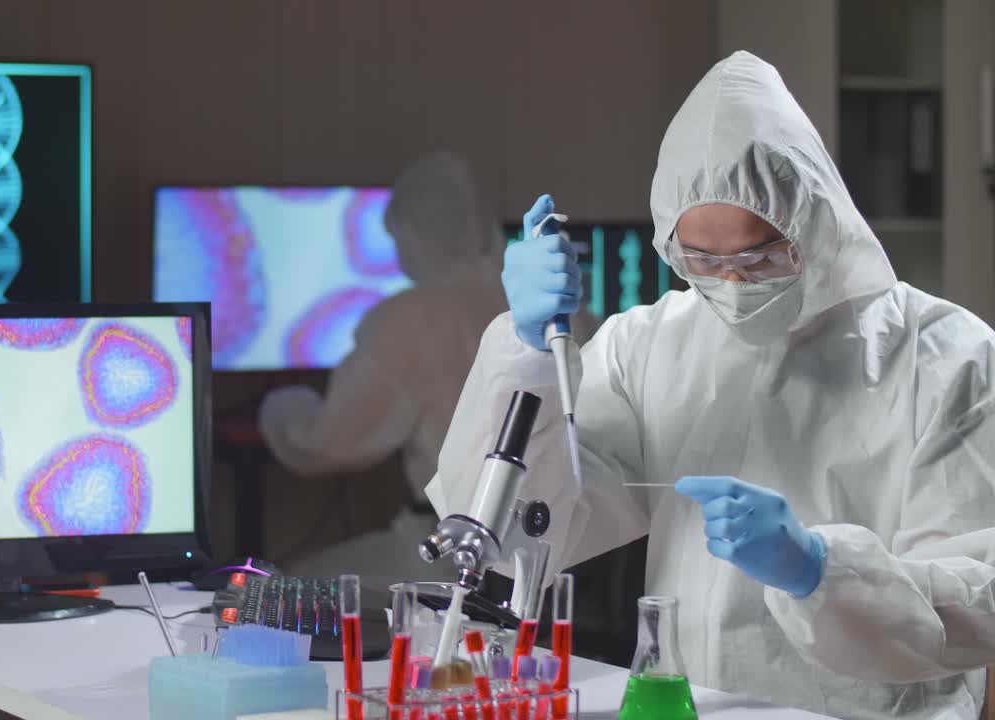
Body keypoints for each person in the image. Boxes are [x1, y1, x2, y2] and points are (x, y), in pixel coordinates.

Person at [426, 51, 995, 719]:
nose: (730, 282)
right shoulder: (649, 344)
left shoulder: (947, 358)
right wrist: (525, 354)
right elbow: (531, 533)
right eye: (700, 258)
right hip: (693, 703)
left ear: (815, 223)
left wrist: (821, 569)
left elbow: (979, 601)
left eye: (759, 257)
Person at [260, 152, 600, 584]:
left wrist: (280, 407)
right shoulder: (564, 308)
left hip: (457, 550)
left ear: (415, 234)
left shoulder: (412, 315)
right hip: (568, 550)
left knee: (281, 587)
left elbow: (328, 441)